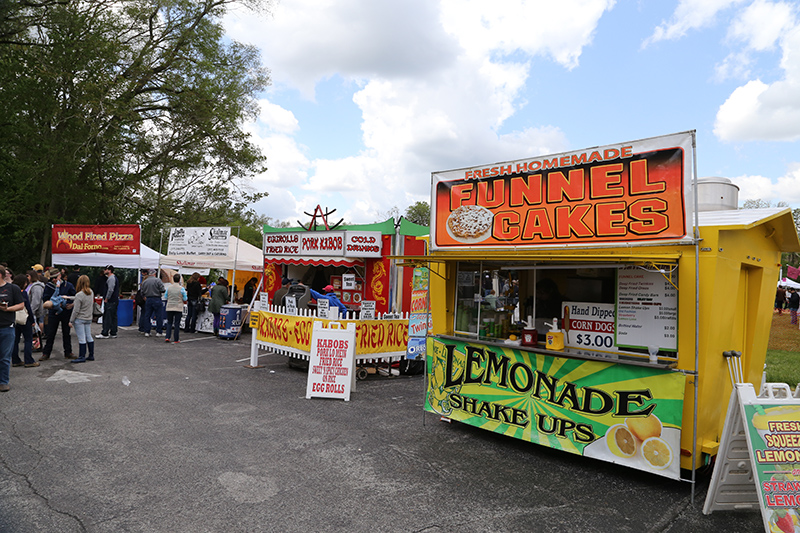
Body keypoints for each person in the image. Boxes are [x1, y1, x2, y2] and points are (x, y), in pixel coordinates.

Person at [40, 267, 76, 360]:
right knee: (50, 333)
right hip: (53, 311)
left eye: (56, 278)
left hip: (66, 311)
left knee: (66, 333)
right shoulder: (49, 286)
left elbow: (74, 297)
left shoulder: (68, 285)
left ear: (60, 276)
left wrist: (70, 304)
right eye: (52, 279)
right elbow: (45, 298)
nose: (54, 280)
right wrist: (52, 304)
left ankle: (68, 352)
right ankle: (46, 353)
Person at [0, 265, 25, 392]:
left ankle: (3, 382)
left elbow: (21, 305)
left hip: (7, 327)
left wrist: (7, 309)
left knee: (4, 356)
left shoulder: (12, 288)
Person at [11, 274, 37, 368]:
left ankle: (15, 359)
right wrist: (32, 320)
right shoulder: (23, 293)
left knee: (15, 340)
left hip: (14, 318)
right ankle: (28, 360)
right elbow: (28, 308)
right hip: (24, 319)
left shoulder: (11, 292)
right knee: (28, 339)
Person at [69, 275, 95, 363]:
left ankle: (82, 356)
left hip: (80, 319)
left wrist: (71, 321)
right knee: (89, 336)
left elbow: (76, 310)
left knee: (81, 338)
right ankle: (91, 355)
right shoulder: (91, 292)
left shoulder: (79, 294)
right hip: (88, 318)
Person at [140, 269, 165, 337]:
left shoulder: (145, 282)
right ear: (154, 273)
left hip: (148, 299)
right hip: (157, 298)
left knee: (147, 315)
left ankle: (147, 331)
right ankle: (159, 331)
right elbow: (162, 289)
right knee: (159, 315)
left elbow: (142, 292)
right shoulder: (158, 280)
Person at [96, 265, 119, 339]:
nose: (104, 270)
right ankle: (113, 332)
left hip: (110, 301)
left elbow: (110, 289)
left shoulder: (111, 278)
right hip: (114, 300)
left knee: (107, 317)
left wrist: (107, 298)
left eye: (105, 269)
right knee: (113, 317)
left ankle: (105, 333)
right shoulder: (113, 278)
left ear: (109, 270)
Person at [164, 273, 187, 343]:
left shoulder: (169, 288)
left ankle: (167, 337)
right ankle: (176, 339)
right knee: (177, 323)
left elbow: (165, 297)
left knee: (169, 322)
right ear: (179, 280)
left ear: (173, 279)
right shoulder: (182, 289)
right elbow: (185, 298)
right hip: (178, 307)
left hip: (169, 306)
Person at [27, 269, 45, 348]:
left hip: (35, 311)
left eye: (27, 276)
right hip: (31, 310)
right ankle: (34, 345)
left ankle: (37, 345)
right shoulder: (30, 285)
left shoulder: (37, 287)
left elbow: (36, 300)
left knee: (35, 329)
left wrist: (31, 311)